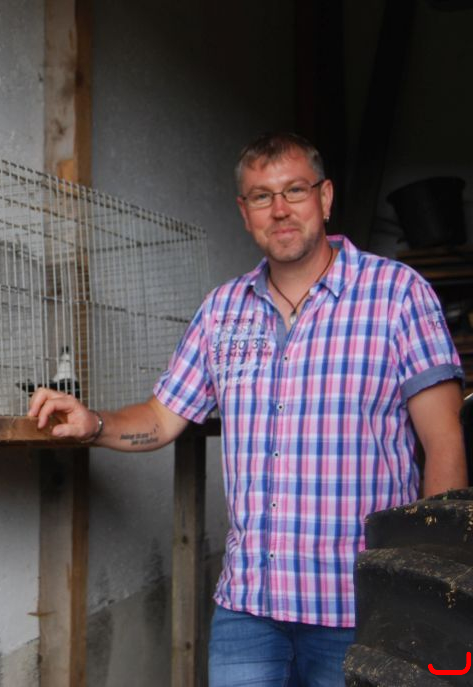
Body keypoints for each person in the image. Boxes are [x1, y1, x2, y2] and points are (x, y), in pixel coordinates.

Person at [28, 132, 467, 686]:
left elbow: (443, 443)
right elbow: (161, 418)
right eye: (262, 196)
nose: (280, 209)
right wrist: (93, 424)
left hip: (362, 605)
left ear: (325, 197)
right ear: (245, 212)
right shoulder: (223, 311)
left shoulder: (397, 294)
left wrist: (430, 586)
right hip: (249, 611)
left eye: (295, 190)